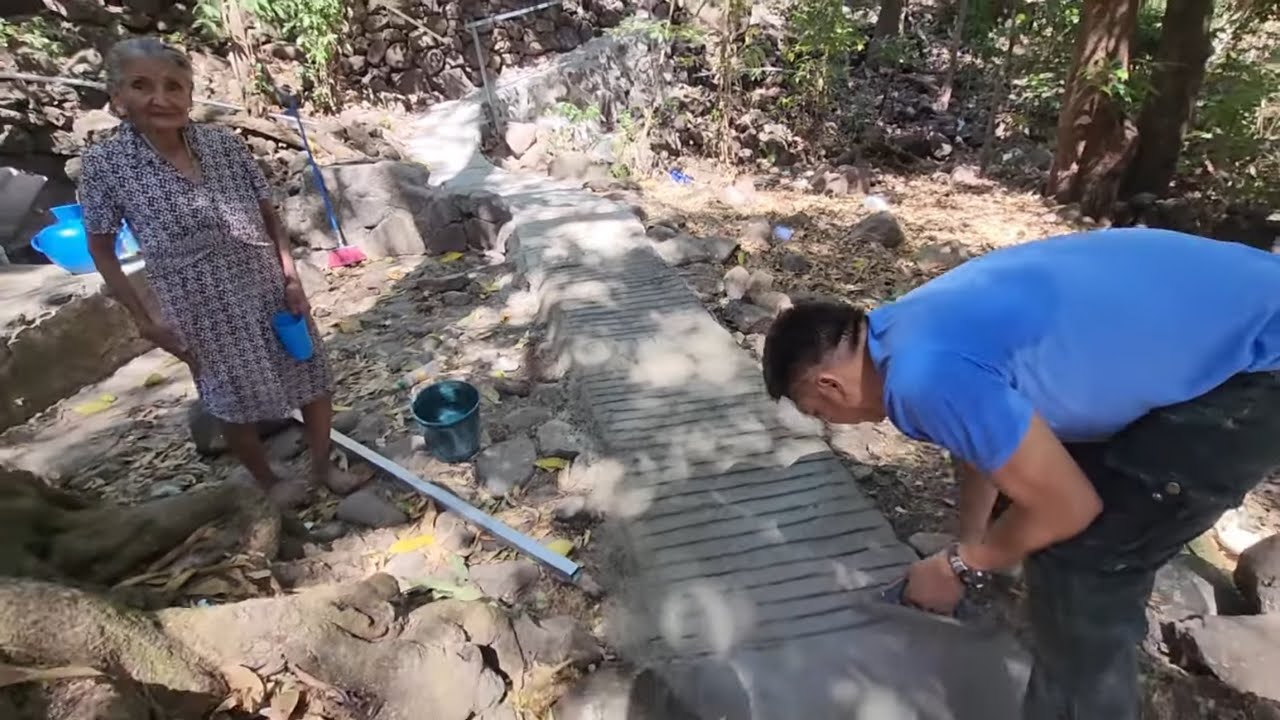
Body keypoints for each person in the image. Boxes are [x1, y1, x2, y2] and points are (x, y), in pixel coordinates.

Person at [760, 227, 1280, 719]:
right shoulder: (902, 328)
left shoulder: (920, 377)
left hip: (1256, 362)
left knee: (1085, 565)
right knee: (1027, 501)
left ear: (830, 386)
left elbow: (1070, 506)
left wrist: (963, 566)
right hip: (1230, 310)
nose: (826, 420)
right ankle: (1047, 633)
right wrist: (968, 543)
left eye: (816, 412)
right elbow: (978, 440)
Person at [80, 38, 360, 506]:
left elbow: (270, 217)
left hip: (267, 286)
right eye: (141, 85)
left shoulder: (224, 145)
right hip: (197, 304)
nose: (161, 98)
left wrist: (291, 277)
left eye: (174, 86)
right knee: (228, 395)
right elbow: (101, 249)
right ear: (117, 99)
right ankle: (269, 481)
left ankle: (322, 464)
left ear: (190, 96)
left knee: (311, 372)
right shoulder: (106, 166)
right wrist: (146, 321)